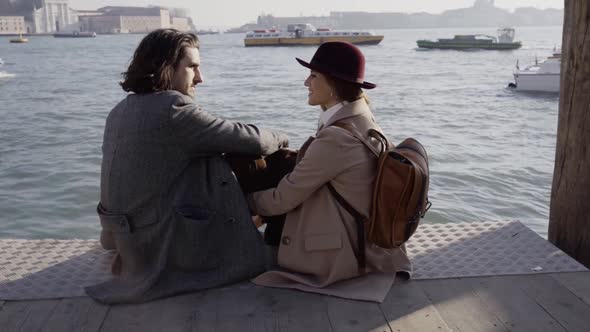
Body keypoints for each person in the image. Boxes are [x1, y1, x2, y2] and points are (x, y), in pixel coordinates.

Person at [85, 29, 289, 304]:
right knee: (272, 160)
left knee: (212, 157)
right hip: (158, 244)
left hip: (125, 238)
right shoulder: (173, 108)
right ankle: (280, 244)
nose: (200, 78)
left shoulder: (121, 110)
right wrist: (282, 137)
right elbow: (252, 140)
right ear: (165, 68)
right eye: (192, 67)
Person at [247, 42, 412, 300]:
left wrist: (241, 202)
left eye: (313, 76)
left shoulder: (337, 138)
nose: (306, 83)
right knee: (284, 161)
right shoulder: (363, 120)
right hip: (365, 242)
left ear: (333, 84)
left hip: (340, 258)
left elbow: (283, 199)